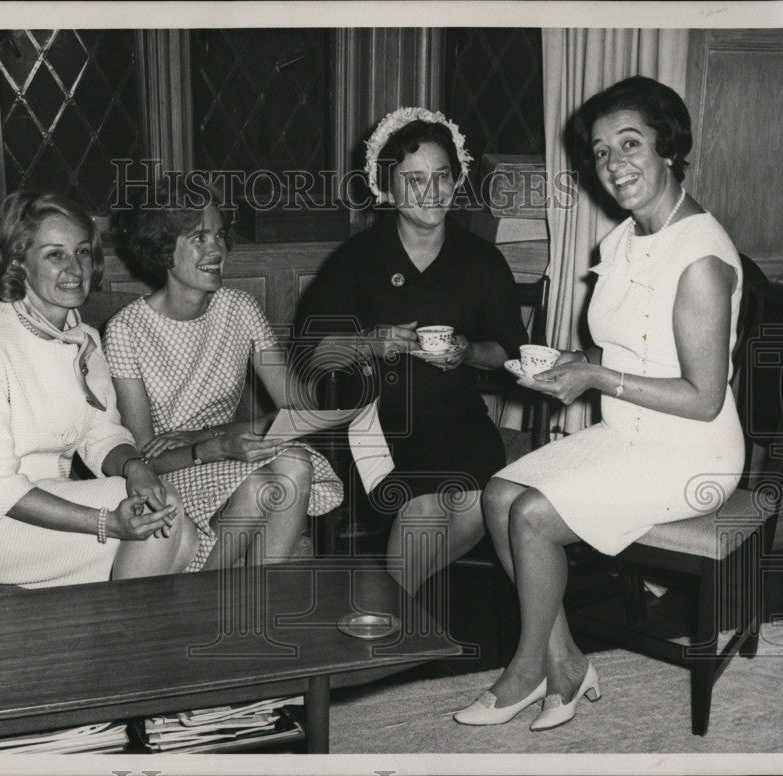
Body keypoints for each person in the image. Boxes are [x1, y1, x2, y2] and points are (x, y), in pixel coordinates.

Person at [455, 76, 745, 731]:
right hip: (631, 435)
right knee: (500, 494)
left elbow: (702, 400)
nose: (615, 164)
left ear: (667, 149)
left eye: (631, 144)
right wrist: (571, 362)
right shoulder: (625, 238)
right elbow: (627, 351)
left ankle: (526, 671)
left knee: (529, 515)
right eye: (602, 151)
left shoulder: (698, 257)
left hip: (692, 454)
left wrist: (594, 380)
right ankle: (566, 664)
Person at [295, 107, 528, 594]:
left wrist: (466, 352)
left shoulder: (482, 260)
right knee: (424, 504)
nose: (431, 191)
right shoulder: (358, 259)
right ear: (386, 186)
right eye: (414, 178)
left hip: (459, 415)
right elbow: (311, 354)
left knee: (479, 500)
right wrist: (368, 343)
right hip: (376, 418)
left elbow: (509, 353)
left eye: (442, 176)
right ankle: (394, 620)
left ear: (457, 179)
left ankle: (390, 611)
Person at [0, 191, 196, 588]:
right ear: (18, 263)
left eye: (82, 252)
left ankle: (116, 638)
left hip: (50, 495)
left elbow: (102, 434)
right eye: (55, 254)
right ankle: (130, 642)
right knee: (165, 518)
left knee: (172, 525)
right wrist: (108, 524)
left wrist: (136, 467)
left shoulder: (82, 337)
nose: (74, 268)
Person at [104, 179, 343, 572]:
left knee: (295, 463)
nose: (217, 249)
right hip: (176, 473)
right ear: (164, 249)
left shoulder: (240, 309)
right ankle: (220, 608)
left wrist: (213, 436)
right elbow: (145, 458)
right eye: (198, 237)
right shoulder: (126, 330)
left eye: (219, 235)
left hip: (227, 452)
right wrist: (210, 449)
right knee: (262, 485)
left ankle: (249, 610)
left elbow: (301, 411)